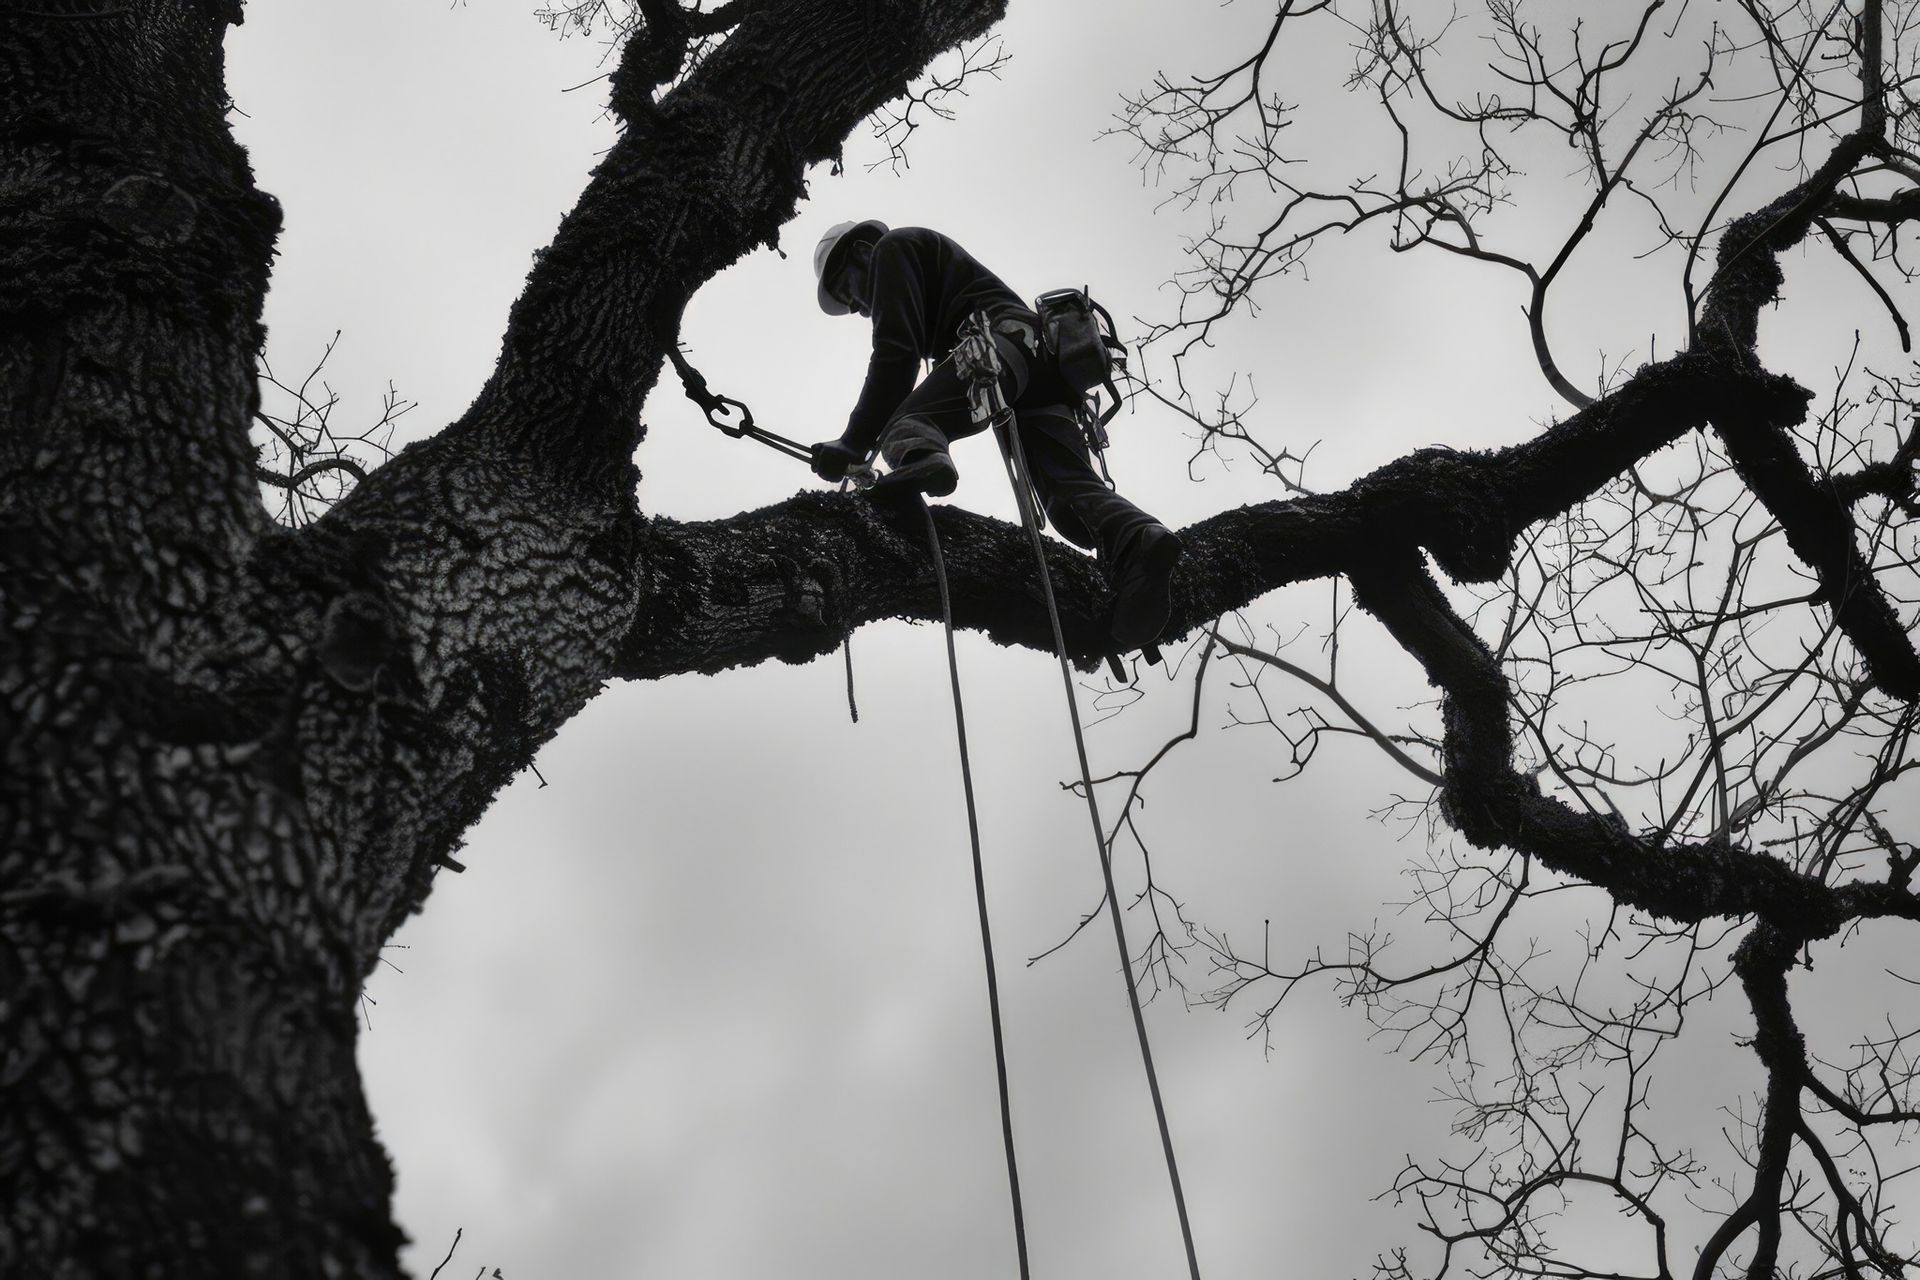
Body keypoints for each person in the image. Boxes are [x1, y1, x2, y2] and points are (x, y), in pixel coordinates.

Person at [808, 220, 1182, 651]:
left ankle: (923, 458)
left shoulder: (892, 249)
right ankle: (1139, 544)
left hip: (1001, 342)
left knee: (909, 426)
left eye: (845, 289)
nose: (856, 307)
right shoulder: (919, 269)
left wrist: (853, 442)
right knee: (1068, 502)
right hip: (1041, 369)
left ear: (859, 252)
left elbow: (897, 352)